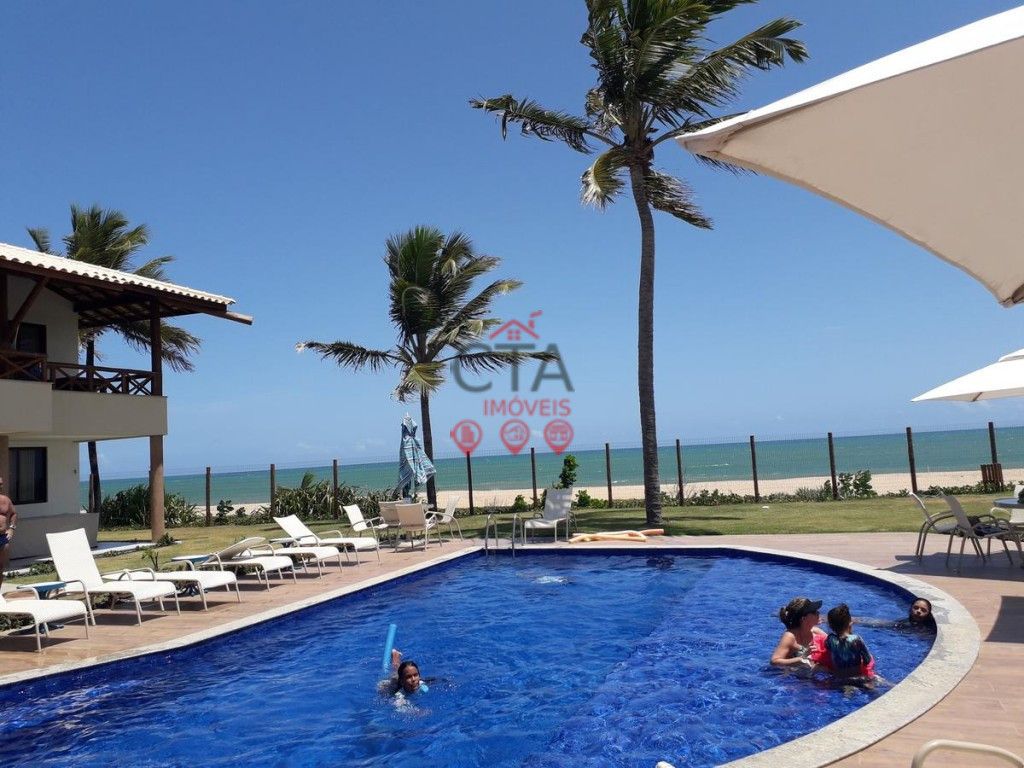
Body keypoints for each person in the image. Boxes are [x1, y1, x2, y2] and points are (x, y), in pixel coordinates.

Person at [771, 596, 827, 668]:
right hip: (792, 674)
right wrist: (801, 658)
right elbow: (774, 661)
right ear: (804, 619)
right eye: (814, 612)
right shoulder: (790, 636)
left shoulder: (816, 632)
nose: (818, 613)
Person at [823, 603, 875, 678]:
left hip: (838, 679)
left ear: (831, 626)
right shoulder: (856, 639)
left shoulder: (830, 639)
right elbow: (867, 660)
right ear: (849, 623)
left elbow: (827, 648)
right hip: (857, 678)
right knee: (879, 680)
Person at [0, 476, 17, 591]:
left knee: (0, 568)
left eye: (1, 484)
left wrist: (11, 528)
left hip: (2, 538)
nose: (0, 486)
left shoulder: (5, 500)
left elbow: (13, 514)